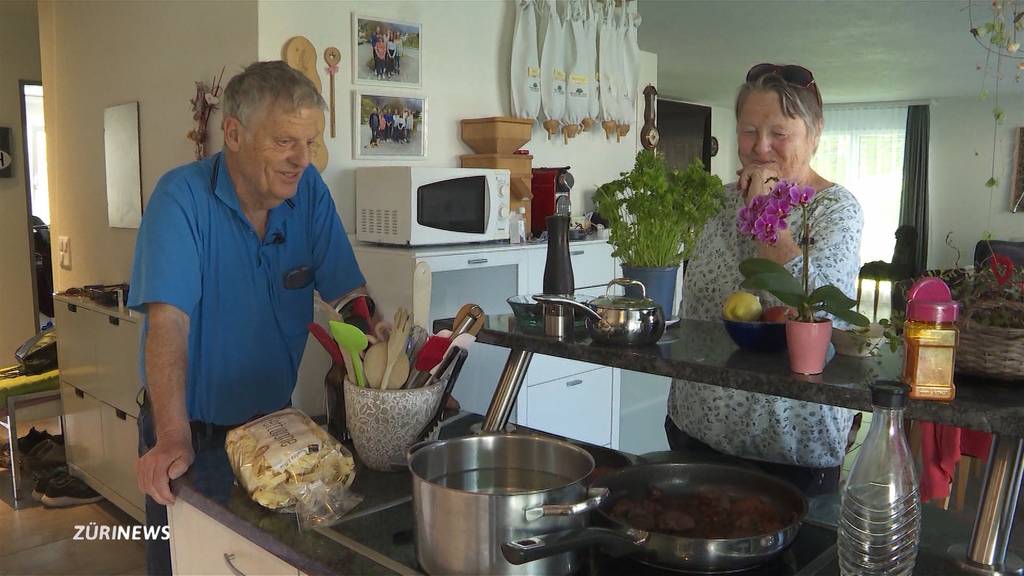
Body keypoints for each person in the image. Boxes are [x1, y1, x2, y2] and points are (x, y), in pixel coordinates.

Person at [128, 61, 381, 575]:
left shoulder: (308, 193)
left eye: (311, 143)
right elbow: (169, 323)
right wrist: (172, 436)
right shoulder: (180, 200)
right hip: (190, 433)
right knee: (186, 564)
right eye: (286, 141)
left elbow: (347, 292)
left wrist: (386, 364)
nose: (303, 161)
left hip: (275, 430)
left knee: (263, 563)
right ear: (234, 133)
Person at [666, 63, 863, 497]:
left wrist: (766, 214)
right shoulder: (716, 203)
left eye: (779, 133)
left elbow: (814, 310)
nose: (760, 148)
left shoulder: (835, 210)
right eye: (748, 131)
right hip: (697, 428)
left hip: (790, 446)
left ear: (814, 135)